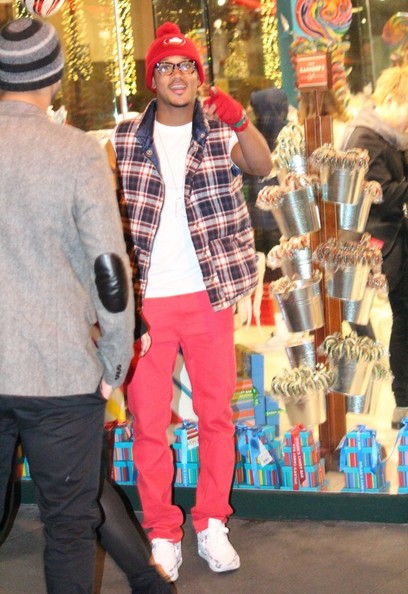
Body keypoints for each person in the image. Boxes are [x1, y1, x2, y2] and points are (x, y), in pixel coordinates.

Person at [108, 21, 272, 582]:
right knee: (149, 423)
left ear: (199, 77)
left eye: (186, 66)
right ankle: (161, 529)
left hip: (209, 294)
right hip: (147, 302)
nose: (177, 74)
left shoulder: (220, 132)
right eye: (166, 66)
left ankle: (212, 523)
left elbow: (261, 166)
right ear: (152, 78)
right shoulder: (124, 138)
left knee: (216, 415)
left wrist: (241, 120)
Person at [0, 16, 137, 594]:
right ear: (55, 75)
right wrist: (115, 360)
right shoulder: (77, 152)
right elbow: (109, 268)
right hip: (59, 373)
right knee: (68, 528)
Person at [341, 65, 408, 430]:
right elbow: (376, 194)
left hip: (390, 239)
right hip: (380, 243)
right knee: (403, 319)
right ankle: (404, 403)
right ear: (393, 99)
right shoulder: (366, 137)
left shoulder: (385, 137)